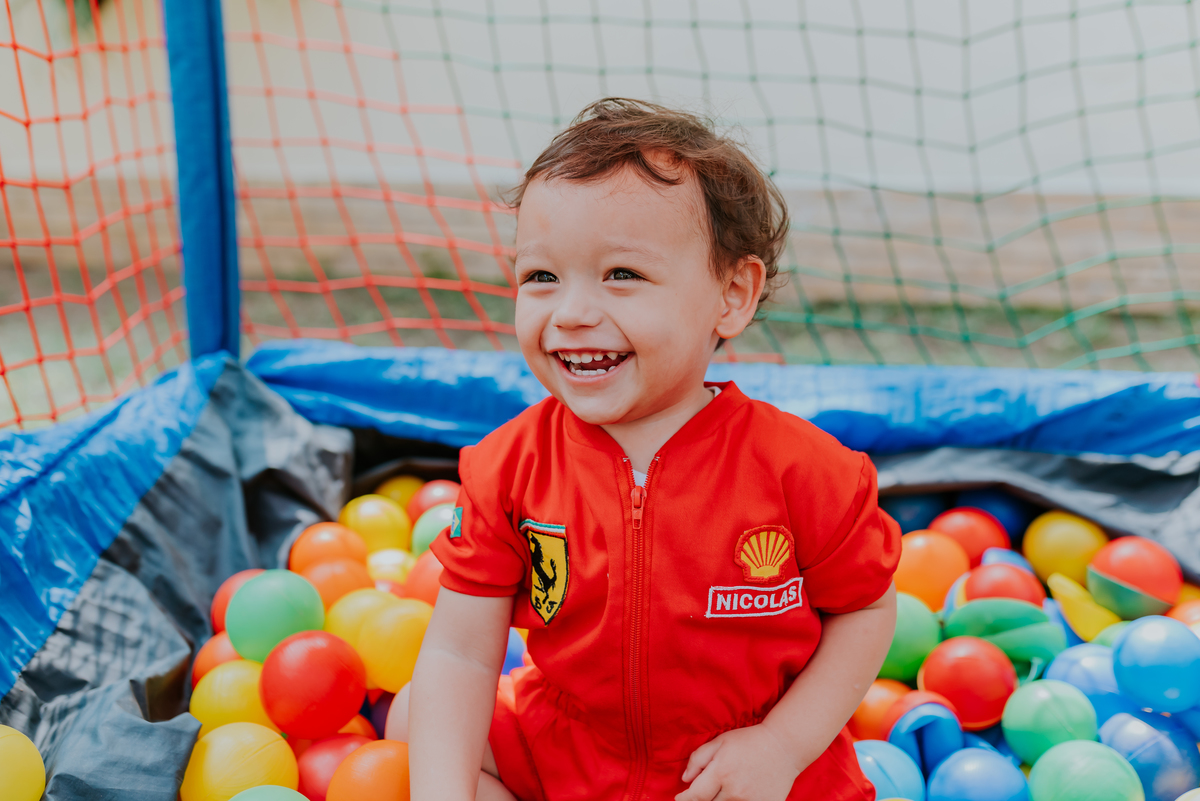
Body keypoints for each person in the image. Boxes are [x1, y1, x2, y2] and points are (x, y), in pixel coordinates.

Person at [396, 97, 901, 801]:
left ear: (731, 294)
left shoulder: (803, 470)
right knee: (413, 715)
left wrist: (782, 745)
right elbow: (459, 648)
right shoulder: (509, 466)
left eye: (621, 275)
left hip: (734, 770)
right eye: (541, 277)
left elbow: (869, 609)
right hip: (573, 749)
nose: (570, 312)